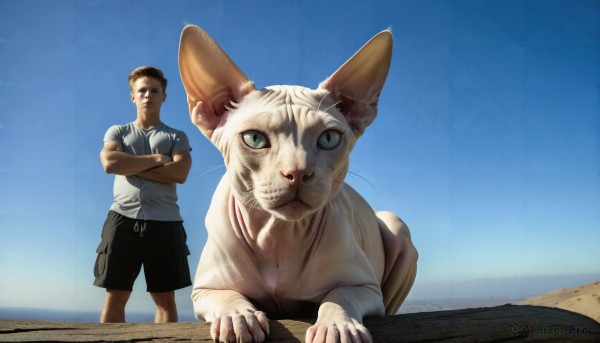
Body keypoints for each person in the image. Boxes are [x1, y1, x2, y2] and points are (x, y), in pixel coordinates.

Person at [94, 66, 192, 323]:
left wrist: (133, 166)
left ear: (163, 97)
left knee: (164, 299)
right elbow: (110, 163)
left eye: (154, 90)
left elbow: (180, 173)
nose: (148, 95)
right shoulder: (117, 132)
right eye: (142, 90)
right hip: (121, 220)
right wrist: (158, 160)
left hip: (166, 222)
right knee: (115, 295)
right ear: (133, 97)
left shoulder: (176, 136)